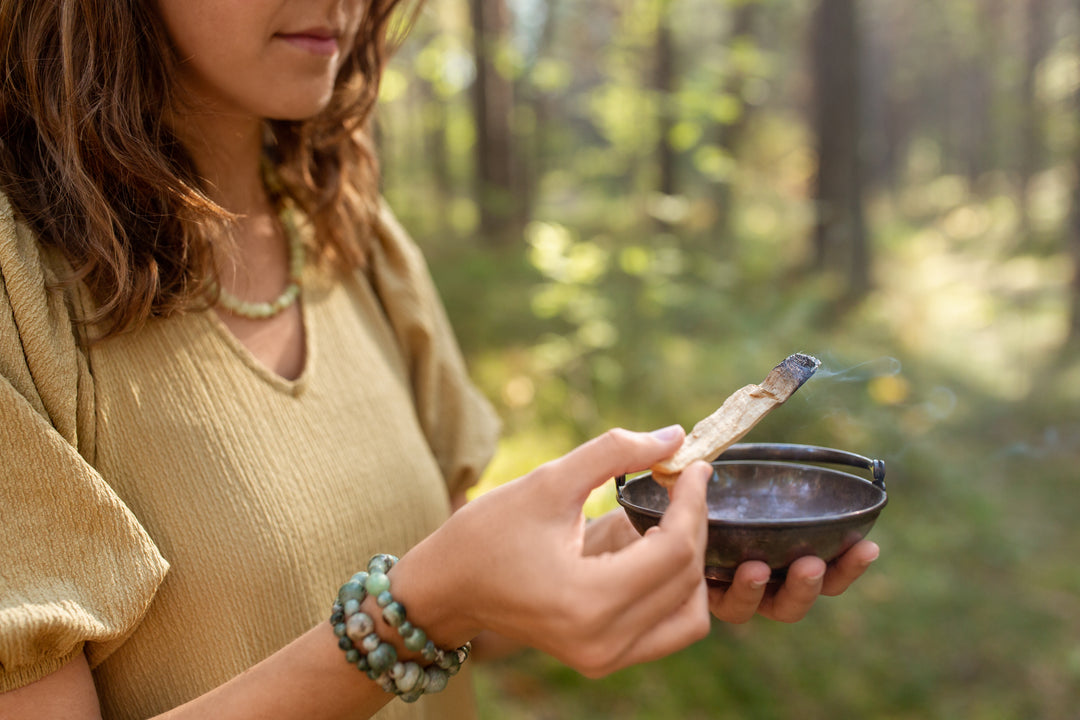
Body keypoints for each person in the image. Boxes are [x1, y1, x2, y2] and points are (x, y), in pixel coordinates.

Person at [0, 1, 880, 719]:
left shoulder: (351, 235)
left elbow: (472, 607)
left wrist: (624, 552)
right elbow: (436, 600)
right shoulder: (17, 293)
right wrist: (412, 614)